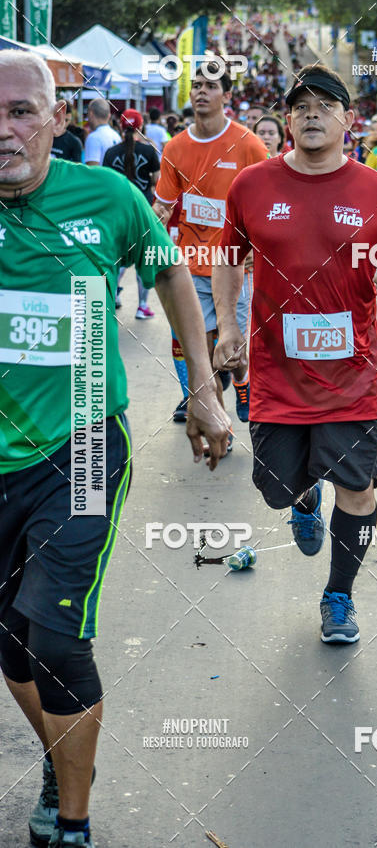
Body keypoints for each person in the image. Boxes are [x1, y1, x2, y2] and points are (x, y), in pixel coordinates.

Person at [0, 50, 229, 848]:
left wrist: (200, 388)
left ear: (58, 119)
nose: (5, 129)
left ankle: (72, 821)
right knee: (11, 642)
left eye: (22, 110)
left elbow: (170, 273)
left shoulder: (107, 196)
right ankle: (61, 756)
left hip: (85, 442)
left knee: (57, 635)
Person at [212, 63, 377, 643]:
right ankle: (300, 496)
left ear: (347, 118)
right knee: (275, 488)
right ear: (288, 120)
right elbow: (225, 257)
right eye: (301, 106)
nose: (312, 113)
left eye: (325, 104)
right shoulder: (252, 185)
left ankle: (339, 595)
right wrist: (225, 327)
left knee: (360, 490)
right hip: (275, 376)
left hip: (353, 381)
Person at [153, 62, 268, 429]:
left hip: (234, 268)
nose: (201, 91)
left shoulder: (249, 145)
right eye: (196, 85)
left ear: (227, 96)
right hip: (188, 267)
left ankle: (243, 383)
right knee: (200, 355)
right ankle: (220, 423)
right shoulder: (175, 147)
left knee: (234, 352)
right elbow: (163, 207)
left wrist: (257, 251)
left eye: (211, 86)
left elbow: (265, 209)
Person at [103, 109, 161, 318]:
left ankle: (111, 297)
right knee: (144, 260)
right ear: (141, 127)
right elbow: (156, 182)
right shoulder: (149, 152)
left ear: (120, 125)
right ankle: (142, 306)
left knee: (118, 258)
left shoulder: (110, 153)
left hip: (117, 213)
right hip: (143, 211)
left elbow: (106, 185)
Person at [83, 99, 120, 166]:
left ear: (91, 114)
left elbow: (92, 170)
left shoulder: (93, 138)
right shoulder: (116, 136)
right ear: (108, 115)